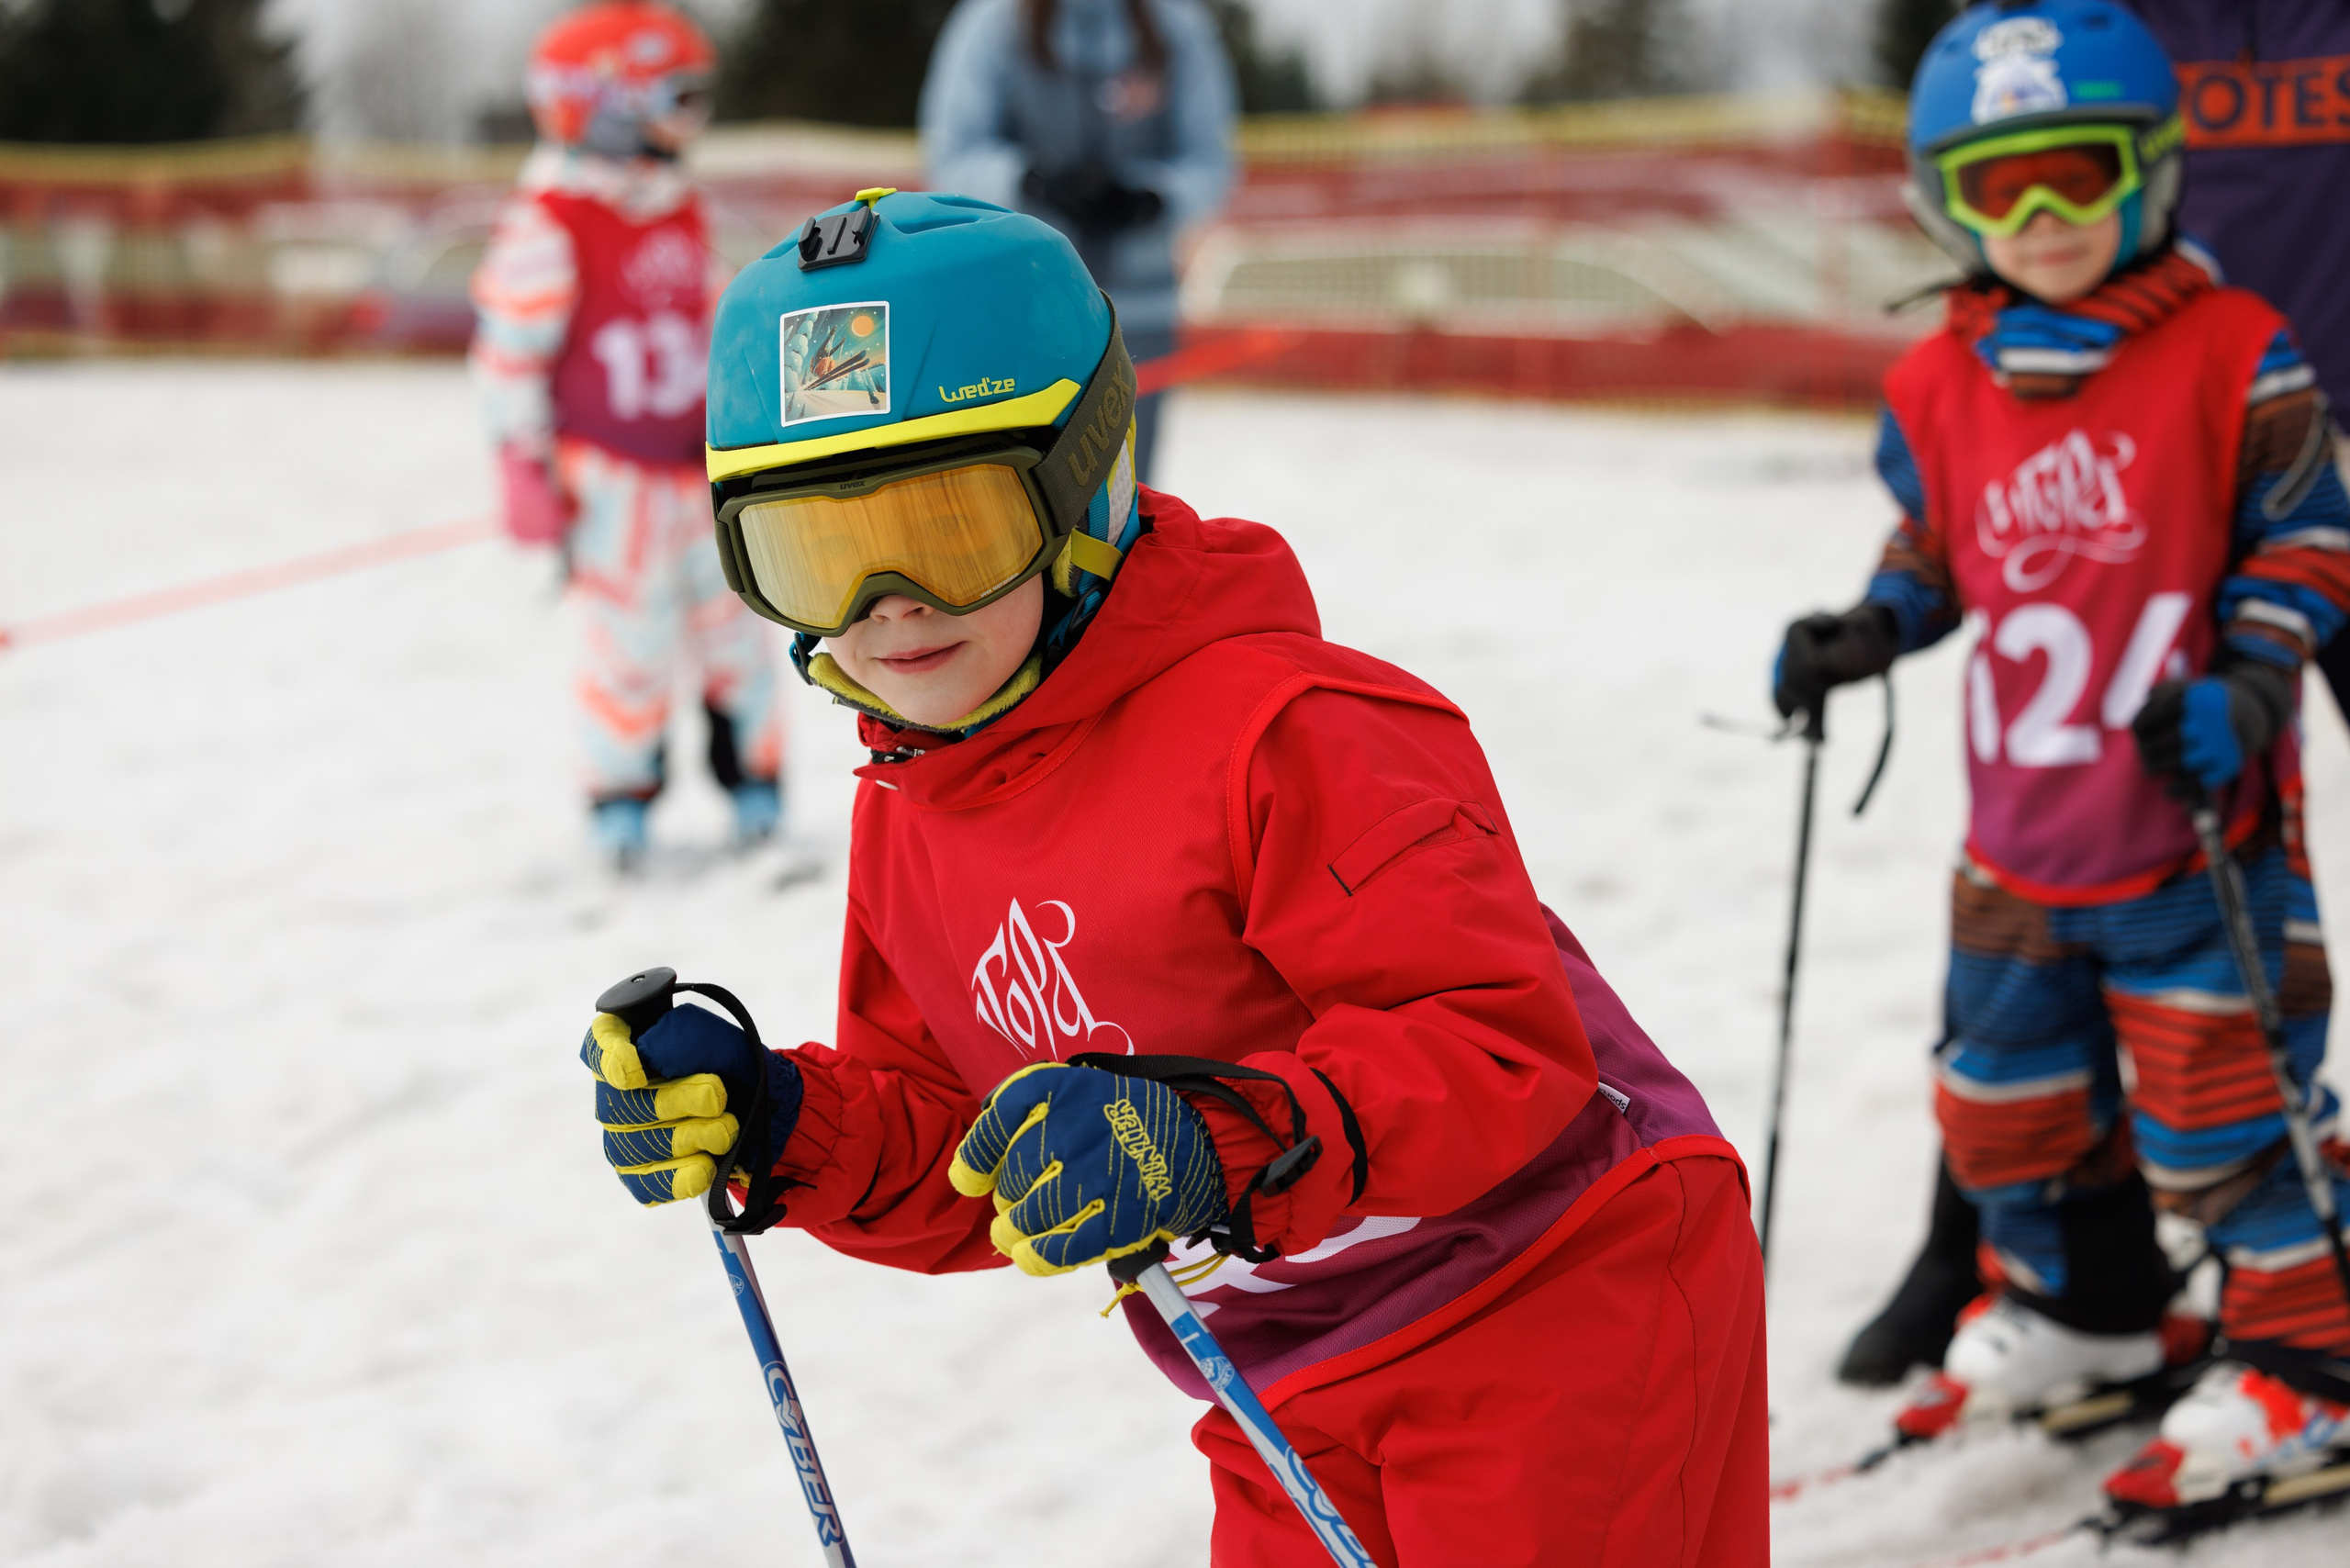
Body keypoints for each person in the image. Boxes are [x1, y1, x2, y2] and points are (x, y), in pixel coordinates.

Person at [581, 189, 1767, 1563]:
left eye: (952, 531)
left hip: (1553, 1297)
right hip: (1280, 1366)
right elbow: (969, 1145)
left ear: (1084, 485)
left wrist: (1208, 1140)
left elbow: (1495, 1050)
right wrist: (783, 1122)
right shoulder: (915, 800)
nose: (886, 607)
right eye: (815, 555)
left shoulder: (1293, 729)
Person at [1774, 0, 2350, 1512]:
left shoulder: (2238, 352)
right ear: (1944, 200)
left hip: (2195, 833)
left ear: (2150, 169)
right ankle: (2086, 1304)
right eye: (1999, 184)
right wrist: (1870, 627)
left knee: (2227, 1113)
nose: (2040, 215)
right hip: (2020, 844)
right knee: (2005, 1106)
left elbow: (2307, 539)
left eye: (2078, 173)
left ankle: (2310, 1353)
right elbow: (1937, 547)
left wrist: (2253, 681)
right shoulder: (1941, 380)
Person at [469, 1, 785, 869]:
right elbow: (509, 351)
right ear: (606, 103)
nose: (696, 121)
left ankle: (754, 783)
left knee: (738, 630)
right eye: (680, 98)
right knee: (629, 648)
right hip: (612, 480)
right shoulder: (552, 222)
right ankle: (622, 801)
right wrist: (520, 461)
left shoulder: (680, 208)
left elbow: (719, 321)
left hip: (703, 470)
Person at [917, 0, 1236, 483]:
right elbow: (952, 153)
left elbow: (1211, 160)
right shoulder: (991, 21)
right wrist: (1032, 182)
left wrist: (1153, 199)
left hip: (1142, 318)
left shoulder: (1178, 25)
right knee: (1021, 493)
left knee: (1131, 493)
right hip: (1021, 311)